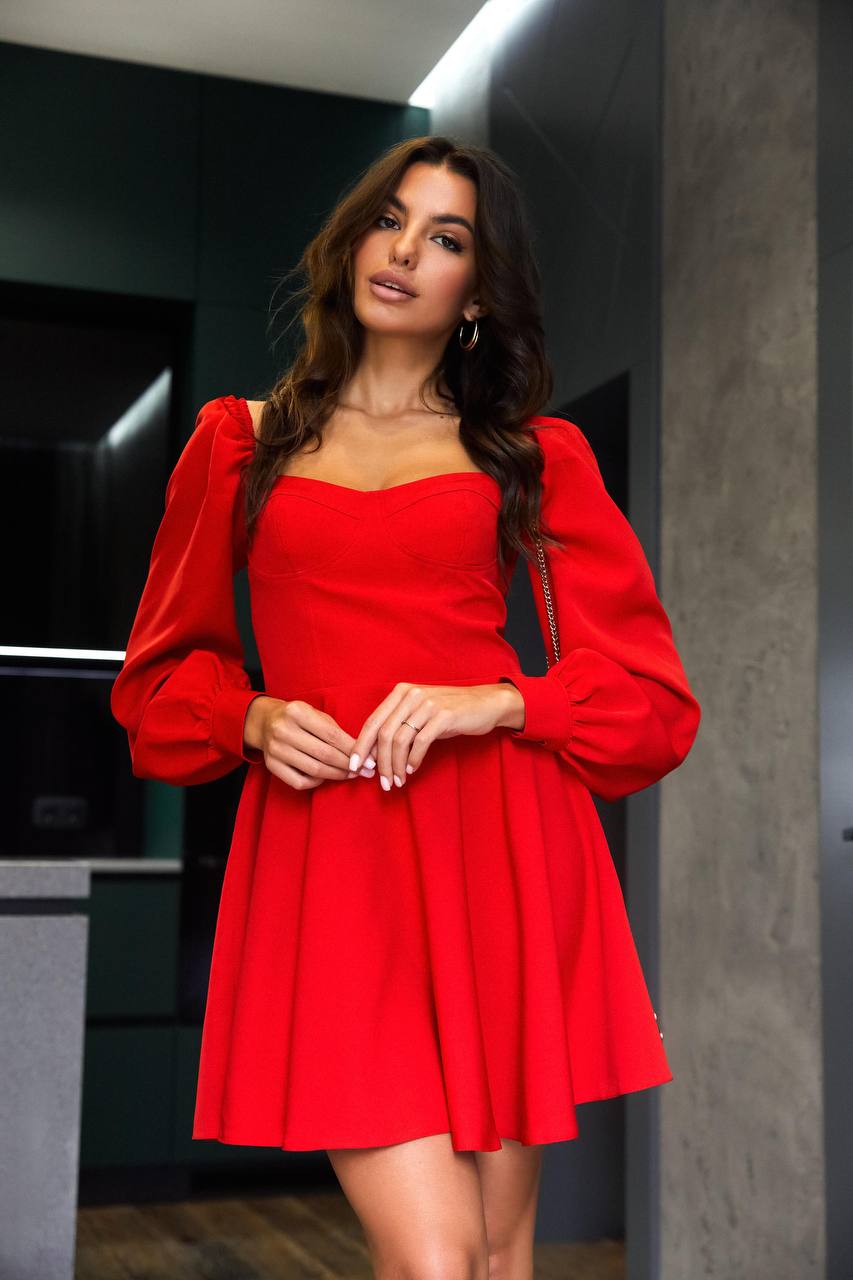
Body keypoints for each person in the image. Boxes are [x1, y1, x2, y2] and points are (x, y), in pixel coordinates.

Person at [111, 134, 701, 1280]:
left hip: (499, 850)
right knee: (434, 1257)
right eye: (391, 219)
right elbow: (156, 682)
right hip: (330, 860)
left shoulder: (529, 454)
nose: (406, 250)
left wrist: (500, 701)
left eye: (445, 238)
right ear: (349, 245)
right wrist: (251, 718)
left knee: (493, 1254)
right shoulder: (243, 442)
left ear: (473, 292)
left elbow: (652, 704)